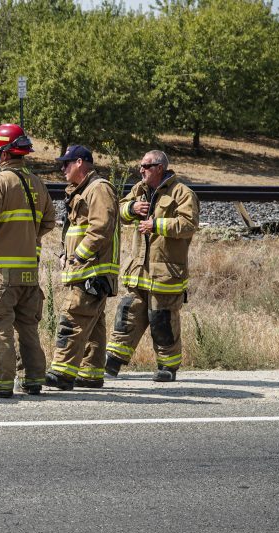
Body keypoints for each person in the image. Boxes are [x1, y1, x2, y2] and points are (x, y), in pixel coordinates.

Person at [0, 123, 56, 399]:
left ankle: (0, 382)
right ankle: (34, 378)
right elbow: (50, 222)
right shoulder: (37, 182)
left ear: (3, 152)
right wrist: (26, 236)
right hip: (29, 272)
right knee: (28, 327)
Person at [105, 150, 199, 382]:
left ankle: (167, 367)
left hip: (166, 273)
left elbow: (188, 224)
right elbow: (119, 209)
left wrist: (156, 225)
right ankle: (113, 362)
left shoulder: (182, 193)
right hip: (138, 271)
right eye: (141, 166)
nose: (141, 170)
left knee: (162, 320)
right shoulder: (139, 190)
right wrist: (131, 209)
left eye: (145, 166)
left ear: (159, 168)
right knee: (127, 315)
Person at [44, 145, 120, 390]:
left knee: (73, 319)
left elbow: (101, 228)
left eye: (66, 163)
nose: (62, 168)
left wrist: (78, 256)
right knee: (93, 324)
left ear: (80, 163)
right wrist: (66, 255)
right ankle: (90, 372)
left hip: (92, 271)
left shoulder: (99, 189)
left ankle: (62, 373)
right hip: (87, 270)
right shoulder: (83, 190)